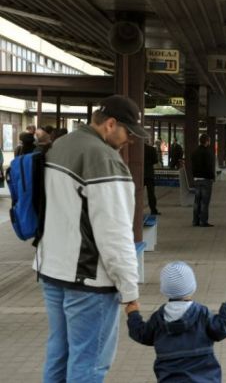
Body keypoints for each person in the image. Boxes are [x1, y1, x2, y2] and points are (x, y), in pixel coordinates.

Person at [35, 94, 147, 382]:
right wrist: (129, 290)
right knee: (89, 363)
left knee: (59, 355)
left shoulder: (61, 145)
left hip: (52, 272)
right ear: (111, 124)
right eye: (128, 133)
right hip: (88, 280)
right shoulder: (104, 158)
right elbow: (115, 234)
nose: (130, 141)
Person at [125, 261, 226, 383]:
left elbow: (142, 334)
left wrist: (133, 314)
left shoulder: (158, 318)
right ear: (192, 287)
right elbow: (220, 330)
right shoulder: (202, 313)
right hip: (205, 378)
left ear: (164, 290)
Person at [191, 133, 216, 227]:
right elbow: (209, 167)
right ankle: (203, 221)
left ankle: (195, 221)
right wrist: (212, 177)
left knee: (197, 201)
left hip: (197, 179)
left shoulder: (194, 152)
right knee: (204, 201)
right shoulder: (208, 152)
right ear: (207, 141)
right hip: (206, 180)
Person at [145, 140, 161, 215]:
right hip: (149, 173)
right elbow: (155, 161)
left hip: (140, 173)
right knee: (151, 193)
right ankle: (153, 210)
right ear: (147, 141)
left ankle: (135, 209)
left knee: (137, 192)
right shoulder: (151, 149)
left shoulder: (138, 149)